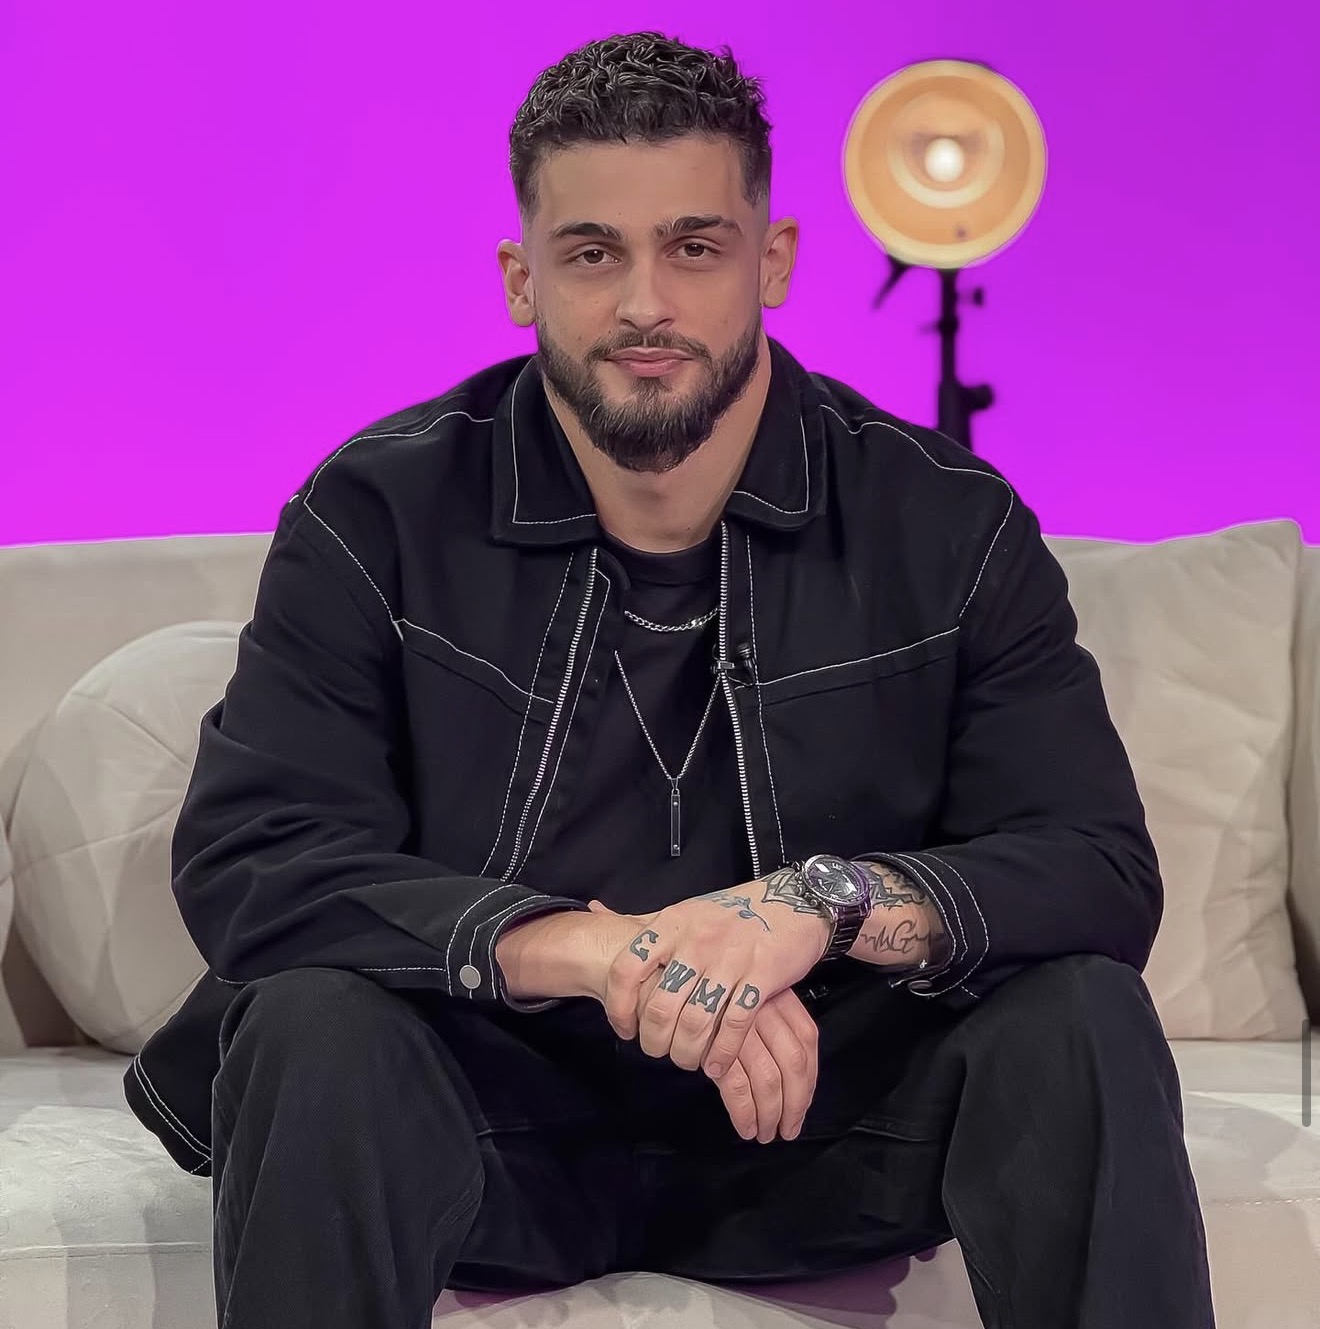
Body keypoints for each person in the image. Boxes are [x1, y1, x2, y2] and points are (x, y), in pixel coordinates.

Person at [122, 29, 1217, 1329]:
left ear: (774, 261)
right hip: (490, 1120)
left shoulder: (946, 522)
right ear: (522, 278)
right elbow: (257, 855)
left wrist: (818, 904)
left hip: (829, 1119)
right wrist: (607, 951)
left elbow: (1096, 865)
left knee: (1085, 1017)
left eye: (694, 247)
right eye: (594, 254)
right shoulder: (378, 512)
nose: (646, 303)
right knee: (309, 1024)